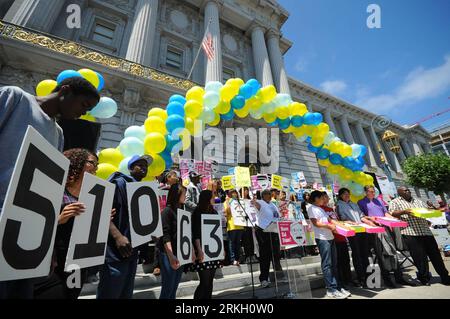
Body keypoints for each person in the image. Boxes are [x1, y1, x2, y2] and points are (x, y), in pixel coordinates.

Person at [0, 77, 100, 299]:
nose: (84, 113)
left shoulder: (58, 133)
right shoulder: (15, 98)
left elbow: (49, 188)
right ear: (65, 90)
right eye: (84, 105)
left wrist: (47, 244)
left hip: (24, 234)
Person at [33, 149, 99, 299]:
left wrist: (100, 221)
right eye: (91, 162)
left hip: (77, 263)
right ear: (75, 163)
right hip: (52, 262)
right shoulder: (55, 190)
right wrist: (59, 219)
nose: (95, 167)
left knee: (71, 293)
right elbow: (35, 224)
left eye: (97, 164)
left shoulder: (91, 197)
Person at [97, 155, 152, 299]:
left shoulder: (143, 190)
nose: (144, 168)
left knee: (125, 294)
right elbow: (101, 210)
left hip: (132, 252)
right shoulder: (118, 183)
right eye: (140, 164)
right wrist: (117, 236)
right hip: (114, 252)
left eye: (146, 165)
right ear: (131, 167)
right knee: (110, 292)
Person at [389, 186, 450, 286]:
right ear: (399, 193)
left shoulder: (418, 201)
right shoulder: (395, 202)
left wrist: (429, 216)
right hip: (411, 232)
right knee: (419, 257)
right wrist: (405, 211)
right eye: (405, 190)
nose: (408, 191)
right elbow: (392, 213)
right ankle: (424, 278)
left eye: (408, 190)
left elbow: (425, 212)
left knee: (435, 255)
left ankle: (444, 276)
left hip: (426, 231)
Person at [358, 185, 412, 288]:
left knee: (393, 252)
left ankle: (399, 277)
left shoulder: (379, 201)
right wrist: (372, 219)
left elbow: (386, 213)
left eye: (374, 191)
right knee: (381, 254)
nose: (373, 193)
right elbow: (362, 217)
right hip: (375, 230)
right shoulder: (361, 202)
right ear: (365, 192)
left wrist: (394, 220)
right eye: (370, 191)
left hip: (386, 228)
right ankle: (387, 279)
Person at [308, 191, 350, 299]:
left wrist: (342, 225)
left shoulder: (321, 209)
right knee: (327, 264)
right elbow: (316, 223)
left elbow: (330, 220)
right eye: (322, 197)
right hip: (322, 239)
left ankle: (337, 287)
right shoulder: (311, 208)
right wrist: (329, 227)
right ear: (316, 198)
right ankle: (331, 289)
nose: (324, 199)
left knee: (334, 264)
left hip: (330, 238)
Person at [336, 188, 375, 288]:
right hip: (352, 231)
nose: (347, 195)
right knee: (357, 253)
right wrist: (351, 222)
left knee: (365, 253)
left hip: (362, 230)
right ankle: (361, 277)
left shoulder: (354, 204)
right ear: (340, 195)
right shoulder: (339, 205)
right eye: (345, 194)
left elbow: (361, 216)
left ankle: (368, 277)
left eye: (348, 194)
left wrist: (369, 222)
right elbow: (342, 219)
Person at [189, 190, 223, 299]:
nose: (214, 198)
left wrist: (222, 249)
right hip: (202, 251)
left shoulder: (214, 212)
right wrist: (199, 250)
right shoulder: (197, 212)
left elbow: (218, 232)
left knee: (210, 282)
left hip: (213, 250)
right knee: (204, 282)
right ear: (207, 198)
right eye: (213, 197)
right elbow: (196, 233)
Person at [158, 183, 188, 299]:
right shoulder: (167, 211)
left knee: (174, 287)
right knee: (168, 287)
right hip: (168, 253)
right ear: (177, 194)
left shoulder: (181, 211)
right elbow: (165, 236)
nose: (186, 196)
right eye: (184, 194)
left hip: (179, 253)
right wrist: (171, 256)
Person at [320, 192, 352, 290]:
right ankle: (339, 282)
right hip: (332, 239)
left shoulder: (331, 209)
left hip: (341, 237)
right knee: (336, 263)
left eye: (327, 197)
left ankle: (348, 281)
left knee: (345, 261)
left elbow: (337, 221)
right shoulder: (320, 210)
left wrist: (345, 223)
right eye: (325, 197)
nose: (328, 198)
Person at [251, 189, 283, 288]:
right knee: (265, 256)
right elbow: (255, 204)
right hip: (263, 231)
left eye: (270, 194)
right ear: (263, 195)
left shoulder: (273, 204)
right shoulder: (260, 202)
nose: (269, 195)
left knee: (276, 255)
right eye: (267, 194)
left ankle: (278, 276)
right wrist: (254, 201)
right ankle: (264, 279)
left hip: (274, 231)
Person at [224, 189, 244, 266]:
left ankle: (238, 258)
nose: (234, 194)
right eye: (232, 193)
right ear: (229, 194)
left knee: (238, 243)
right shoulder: (227, 201)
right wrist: (228, 202)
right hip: (231, 224)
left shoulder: (240, 201)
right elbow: (227, 212)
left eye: (235, 193)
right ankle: (233, 259)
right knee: (232, 243)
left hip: (240, 225)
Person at [241, 187, 257, 264]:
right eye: (244, 190)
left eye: (247, 190)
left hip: (251, 222)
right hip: (243, 223)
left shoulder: (250, 200)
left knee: (251, 240)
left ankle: (252, 255)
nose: (246, 191)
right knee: (246, 240)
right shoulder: (240, 201)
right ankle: (248, 256)